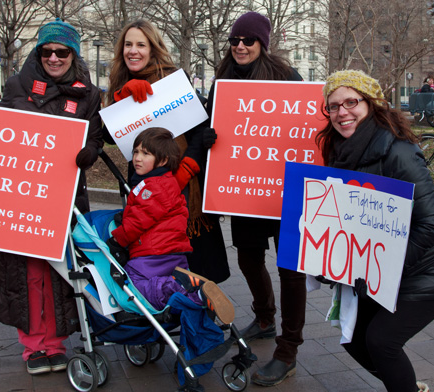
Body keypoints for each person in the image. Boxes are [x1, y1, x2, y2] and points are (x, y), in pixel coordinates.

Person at [0, 18, 102, 375]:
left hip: (63, 197)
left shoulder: (89, 93)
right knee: (28, 272)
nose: (53, 58)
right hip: (22, 196)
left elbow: (94, 136)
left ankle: (57, 343)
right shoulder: (17, 84)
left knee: (60, 271)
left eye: (61, 52)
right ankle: (34, 345)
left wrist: (88, 152)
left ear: (73, 54)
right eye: (46, 51)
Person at [316, 69, 434, 392]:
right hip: (388, 262)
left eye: (351, 102)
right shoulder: (339, 149)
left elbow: (432, 223)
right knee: (355, 339)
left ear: (372, 104)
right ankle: (403, 384)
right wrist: (328, 263)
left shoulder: (397, 151)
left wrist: (380, 270)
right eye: (333, 106)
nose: (342, 112)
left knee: (381, 341)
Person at [205, 11, 306, 387]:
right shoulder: (222, 82)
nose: (241, 47)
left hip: (284, 190)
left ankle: (288, 350)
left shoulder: (287, 78)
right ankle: (265, 316)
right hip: (245, 188)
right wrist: (209, 138)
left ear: (262, 43)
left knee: (290, 269)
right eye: (235, 41)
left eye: (248, 41)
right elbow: (210, 124)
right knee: (248, 256)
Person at [104, 19, 230, 284]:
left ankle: (202, 314)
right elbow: (109, 137)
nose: (133, 51)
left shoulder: (173, 79)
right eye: (128, 44)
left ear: (153, 48)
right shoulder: (119, 81)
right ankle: (164, 307)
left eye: (141, 44)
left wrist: (185, 170)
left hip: (184, 183)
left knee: (195, 260)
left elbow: (200, 130)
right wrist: (121, 101)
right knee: (153, 254)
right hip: (144, 187)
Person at [106, 127, 234, 324]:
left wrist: (117, 239)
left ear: (163, 161)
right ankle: (192, 296)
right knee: (153, 285)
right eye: (136, 152)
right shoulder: (163, 182)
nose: (137, 158)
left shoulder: (153, 187)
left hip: (153, 255)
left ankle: (190, 292)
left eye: (145, 153)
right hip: (174, 255)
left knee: (132, 284)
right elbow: (147, 213)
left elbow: (139, 221)